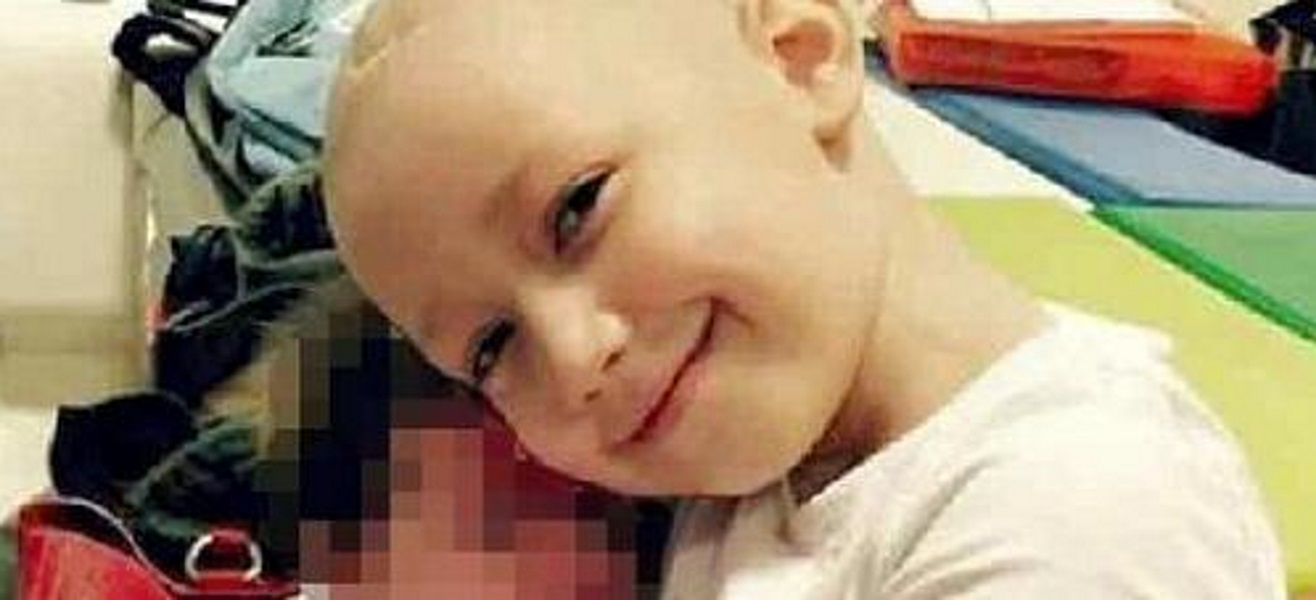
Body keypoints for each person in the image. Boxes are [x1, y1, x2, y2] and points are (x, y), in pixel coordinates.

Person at [321, 0, 1285, 597]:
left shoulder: (1086, 510)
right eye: (492, 348)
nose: (572, 358)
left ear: (801, 61)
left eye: (578, 208)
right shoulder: (763, 455)